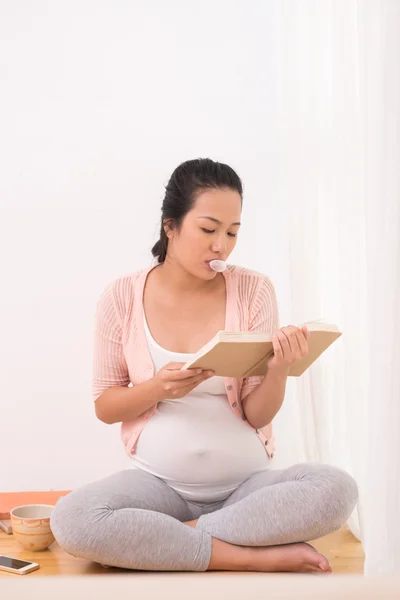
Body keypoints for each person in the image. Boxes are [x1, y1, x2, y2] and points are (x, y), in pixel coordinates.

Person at [51, 158, 358, 573]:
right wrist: (157, 389)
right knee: (71, 520)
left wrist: (279, 368)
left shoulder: (253, 290)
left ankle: (175, 537)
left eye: (232, 233)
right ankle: (245, 555)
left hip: (245, 489)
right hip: (157, 487)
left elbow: (257, 414)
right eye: (209, 229)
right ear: (170, 225)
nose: (222, 246)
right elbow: (106, 407)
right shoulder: (120, 297)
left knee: (337, 490)